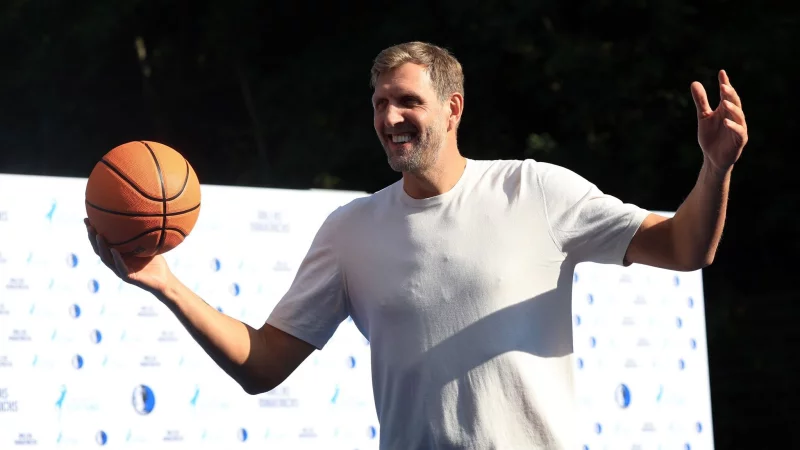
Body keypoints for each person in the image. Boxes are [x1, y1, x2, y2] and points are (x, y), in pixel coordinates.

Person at [85, 41, 748, 449]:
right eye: (379, 103)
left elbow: (685, 248)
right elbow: (262, 365)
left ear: (453, 108)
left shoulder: (535, 191)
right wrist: (162, 281)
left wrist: (714, 168)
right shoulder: (349, 230)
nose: (389, 117)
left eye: (407, 101)